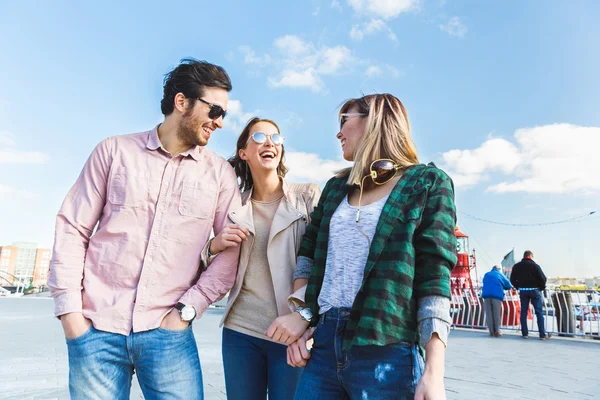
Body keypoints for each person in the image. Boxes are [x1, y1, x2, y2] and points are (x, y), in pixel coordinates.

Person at [48, 59, 242, 400]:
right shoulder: (114, 151)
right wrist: (70, 315)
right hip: (95, 329)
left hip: (169, 334)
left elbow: (232, 249)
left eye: (223, 114)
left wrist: (187, 311)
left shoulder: (220, 175)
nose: (220, 123)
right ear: (182, 102)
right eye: (214, 111)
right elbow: (72, 228)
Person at [284, 94, 458, 400]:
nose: (338, 133)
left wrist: (434, 372)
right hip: (324, 344)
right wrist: (304, 320)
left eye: (344, 121)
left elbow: (435, 276)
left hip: (387, 350)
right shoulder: (336, 188)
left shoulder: (427, 183)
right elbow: (309, 257)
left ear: (373, 120)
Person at [201, 117, 321, 400]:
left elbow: (322, 261)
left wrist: (305, 320)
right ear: (243, 152)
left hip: (291, 329)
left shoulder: (307, 198)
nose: (269, 143)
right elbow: (202, 263)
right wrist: (214, 245)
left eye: (276, 138)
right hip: (240, 332)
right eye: (259, 137)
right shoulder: (232, 206)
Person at [510, 250, 551, 340]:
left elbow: (512, 279)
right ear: (531, 257)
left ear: (524, 256)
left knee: (523, 312)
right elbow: (543, 279)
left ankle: (525, 334)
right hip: (535, 291)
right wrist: (540, 288)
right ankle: (542, 334)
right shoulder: (535, 266)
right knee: (539, 312)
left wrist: (518, 287)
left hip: (523, 291)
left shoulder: (516, 266)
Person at [482, 265, 513, 337]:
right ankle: (497, 331)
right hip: (496, 296)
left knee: (489, 314)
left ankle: (491, 332)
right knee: (496, 313)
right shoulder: (500, 274)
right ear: (499, 269)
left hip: (486, 295)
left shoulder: (487, 274)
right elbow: (508, 285)